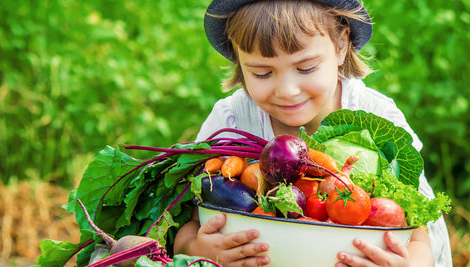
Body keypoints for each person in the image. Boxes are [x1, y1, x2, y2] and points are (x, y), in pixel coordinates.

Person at [173, 0, 453, 266]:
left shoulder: (376, 115)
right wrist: (196, 249)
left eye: (305, 68)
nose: (287, 91)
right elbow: (189, 224)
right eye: (261, 73)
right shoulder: (230, 121)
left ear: (341, 45)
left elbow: (420, 236)